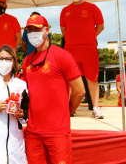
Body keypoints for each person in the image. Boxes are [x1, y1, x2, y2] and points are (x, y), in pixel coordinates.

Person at [22, 15, 85, 164]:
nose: (32, 33)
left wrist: (67, 112)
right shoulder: (27, 60)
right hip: (33, 132)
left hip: (58, 133)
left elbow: (80, 91)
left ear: (46, 30)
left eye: (36, 29)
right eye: (29, 30)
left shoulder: (62, 56)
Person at [60, 0, 105, 119]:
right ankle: (69, 109)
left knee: (92, 78)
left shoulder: (92, 8)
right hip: (70, 49)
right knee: (69, 80)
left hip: (89, 49)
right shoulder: (65, 10)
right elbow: (63, 30)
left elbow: (101, 27)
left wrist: (89, 37)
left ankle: (96, 108)